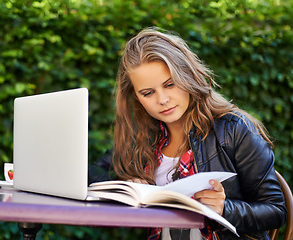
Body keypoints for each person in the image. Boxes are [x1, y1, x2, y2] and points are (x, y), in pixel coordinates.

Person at [106, 27, 287, 239]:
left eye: (170, 84)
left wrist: (225, 209)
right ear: (136, 97)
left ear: (188, 76)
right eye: (148, 93)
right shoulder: (144, 139)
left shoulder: (233, 129)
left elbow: (277, 211)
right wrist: (131, 187)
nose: (162, 100)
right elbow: (102, 178)